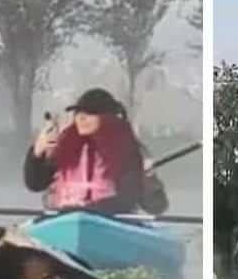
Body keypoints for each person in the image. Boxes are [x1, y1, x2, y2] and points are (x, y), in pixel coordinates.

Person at [23, 88, 168, 216]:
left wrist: (147, 179)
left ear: (108, 117)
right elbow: (34, 184)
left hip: (110, 223)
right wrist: (37, 152)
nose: (81, 117)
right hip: (65, 218)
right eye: (78, 112)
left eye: (90, 113)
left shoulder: (127, 152)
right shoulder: (65, 148)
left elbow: (141, 203)